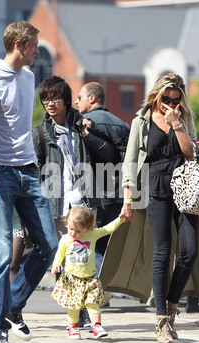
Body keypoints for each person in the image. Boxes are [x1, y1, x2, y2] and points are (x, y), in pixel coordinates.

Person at [0, 21, 58, 343]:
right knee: (3, 253)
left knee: (49, 244)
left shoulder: (29, 77)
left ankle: (12, 307)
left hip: (28, 172)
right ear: (21, 44)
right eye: (35, 45)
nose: (38, 51)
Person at [104, 73, 199, 343]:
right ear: (157, 95)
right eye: (166, 99)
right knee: (162, 252)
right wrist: (127, 200)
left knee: (190, 251)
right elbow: (129, 162)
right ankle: (161, 319)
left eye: (176, 99)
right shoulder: (141, 120)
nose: (170, 104)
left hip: (184, 190)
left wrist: (176, 124)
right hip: (154, 189)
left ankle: (172, 305)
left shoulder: (183, 118)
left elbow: (191, 154)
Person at [32, 75, 115, 328]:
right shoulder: (40, 133)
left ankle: (88, 313)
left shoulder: (82, 125)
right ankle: (76, 314)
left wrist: (89, 135)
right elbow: (35, 169)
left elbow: (108, 154)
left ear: (66, 100)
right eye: (45, 99)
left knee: (88, 261)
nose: (50, 104)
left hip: (84, 201)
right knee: (65, 260)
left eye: (55, 98)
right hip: (57, 204)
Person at [75, 82, 130, 276]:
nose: (76, 101)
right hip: (121, 194)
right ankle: (104, 291)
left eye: (79, 97)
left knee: (90, 244)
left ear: (92, 98)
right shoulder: (123, 125)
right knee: (107, 247)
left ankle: (95, 293)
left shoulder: (84, 122)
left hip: (96, 193)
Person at [51, 206, 124, 339]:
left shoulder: (92, 234)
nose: (73, 233)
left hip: (89, 279)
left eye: (78, 231)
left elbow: (108, 229)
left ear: (89, 228)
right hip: (72, 279)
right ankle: (73, 327)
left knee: (93, 303)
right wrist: (56, 264)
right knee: (73, 306)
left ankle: (96, 325)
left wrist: (120, 219)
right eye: (70, 228)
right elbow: (59, 253)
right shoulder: (66, 239)